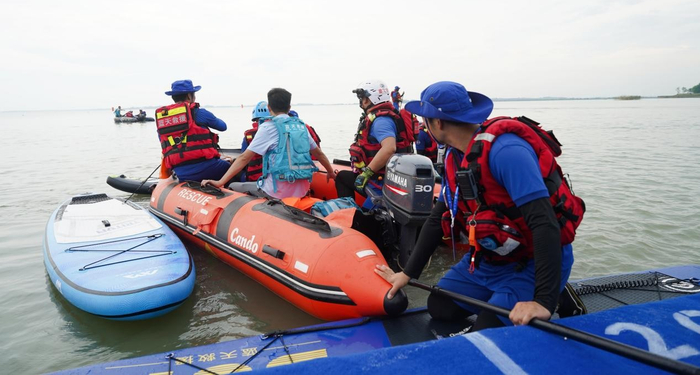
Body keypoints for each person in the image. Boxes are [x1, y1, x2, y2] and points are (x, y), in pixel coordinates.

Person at [375, 81, 585, 330]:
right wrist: (407, 274)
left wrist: (543, 301)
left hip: (529, 262)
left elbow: (544, 222)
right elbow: (438, 217)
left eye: (425, 120)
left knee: (487, 329)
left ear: (437, 123)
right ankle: (504, 296)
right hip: (492, 258)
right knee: (440, 307)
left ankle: (556, 292)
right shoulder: (454, 156)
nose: (423, 125)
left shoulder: (506, 151)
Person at [202, 88, 336, 199]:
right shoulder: (301, 127)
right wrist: (330, 172)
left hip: (276, 193)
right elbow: (319, 154)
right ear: (289, 107)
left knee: (233, 186)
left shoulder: (268, 127)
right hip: (302, 191)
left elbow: (244, 158)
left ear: (269, 107)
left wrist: (220, 182)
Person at [335, 80, 414, 207]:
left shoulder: (381, 121)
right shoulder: (385, 116)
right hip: (384, 177)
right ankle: (348, 211)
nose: (361, 101)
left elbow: (389, 148)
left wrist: (367, 173)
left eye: (362, 98)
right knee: (342, 177)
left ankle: (353, 215)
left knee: (366, 217)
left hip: (381, 183)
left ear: (367, 99)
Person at [155, 79, 231, 183]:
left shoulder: (164, 121)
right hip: (210, 168)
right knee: (234, 167)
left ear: (173, 97)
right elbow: (223, 126)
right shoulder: (199, 113)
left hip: (181, 174)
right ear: (189, 96)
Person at [240, 101, 271, 182]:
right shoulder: (278, 132)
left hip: (255, 177)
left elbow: (243, 156)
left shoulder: (249, 135)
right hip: (274, 177)